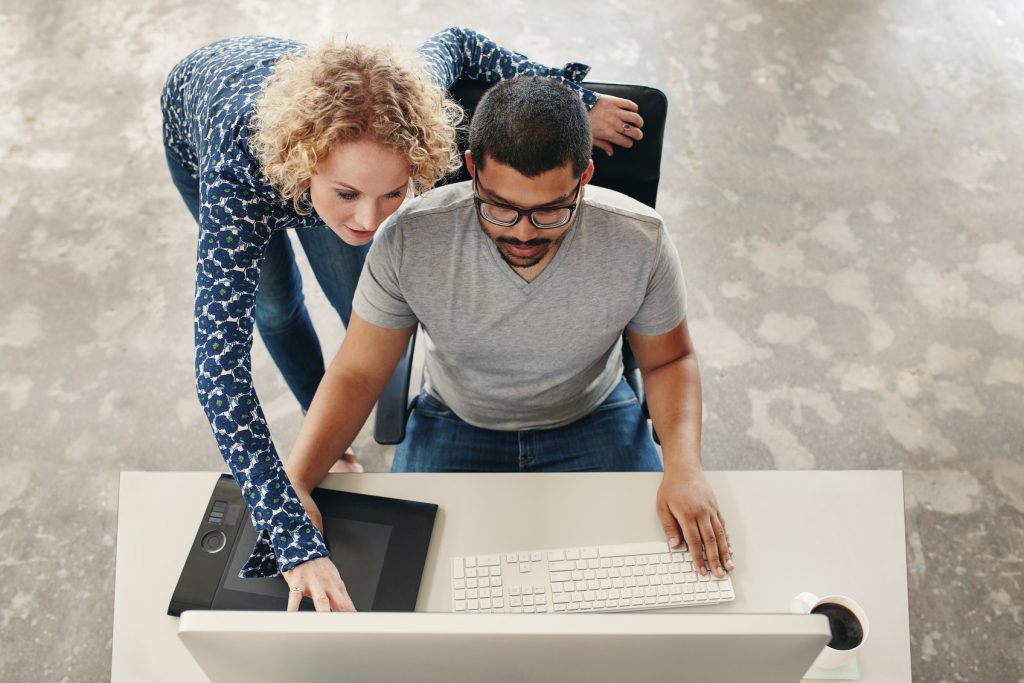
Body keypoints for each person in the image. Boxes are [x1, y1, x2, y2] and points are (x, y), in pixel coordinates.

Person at [161, 29, 645, 581]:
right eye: (348, 195)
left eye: (394, 192)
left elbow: (461, 43)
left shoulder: (404, 106)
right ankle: (314, 421)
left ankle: (331, 424)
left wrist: (575, 101)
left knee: (360, 310)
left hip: (326, 135)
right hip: (213, 130)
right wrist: (288, 527)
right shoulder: (237, 182)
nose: (371, 221)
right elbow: (218, 375)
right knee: (273, 306)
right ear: (306, 165)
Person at [282, 77, 735, 613]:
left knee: (652, 594)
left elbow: (670, 359)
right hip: (456, 418)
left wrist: (684, 467)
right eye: (499, 208)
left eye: (550, 210)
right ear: (473, 170)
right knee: (413, 605)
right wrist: (293, 487)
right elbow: (357, 373)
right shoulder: (408, 237)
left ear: (584, 177)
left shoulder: (641, 239)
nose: (523, 233)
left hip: (594, 416)